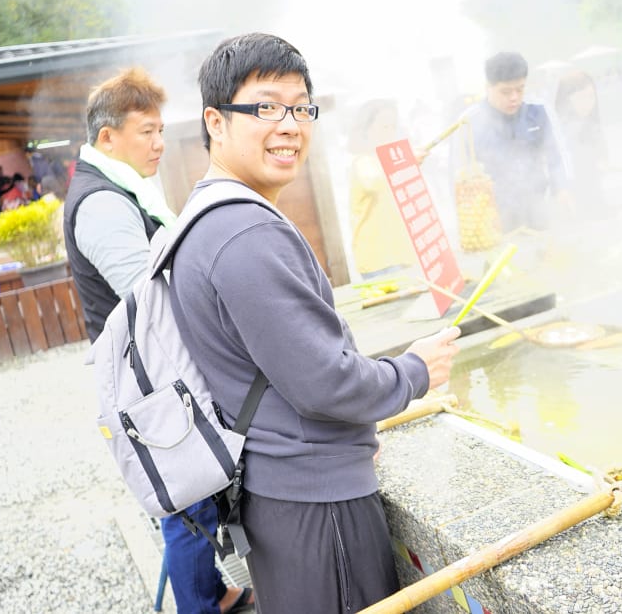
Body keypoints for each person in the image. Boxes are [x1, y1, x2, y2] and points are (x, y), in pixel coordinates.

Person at [172, 32, 461, 613]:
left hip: (279, 490)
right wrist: (415, 370)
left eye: (301, 108)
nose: (290, 125)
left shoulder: (206, 217)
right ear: (215, 122)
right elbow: (326, 382)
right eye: (266, 107)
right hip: (315, 504)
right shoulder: (246, 233)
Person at [62, 67, 252, 614]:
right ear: (108, 137)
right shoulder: (101, 203)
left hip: (152, 367)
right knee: (187, 500)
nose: (159, 143)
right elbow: (145, 297)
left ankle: (214, 593)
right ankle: (199, 607)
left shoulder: (119, 188)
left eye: (161, 130)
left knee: (194, 490)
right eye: (146, 131)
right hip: (146, 377)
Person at [456, 52, 571, 234]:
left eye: (520, 89)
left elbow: (556, 157)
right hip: (494, 218)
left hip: (537, 210)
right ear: (488, 87)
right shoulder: (470, 123)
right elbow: (459, 176)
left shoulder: (537, 112)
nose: (514, 97)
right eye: (506, 92)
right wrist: (475, 221)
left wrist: (562, 189)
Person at [347, 98, 417, 279]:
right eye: (384, 126)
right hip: (378, 259)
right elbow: (374, 182)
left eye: (392, 126)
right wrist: (408, 162)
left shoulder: (389, 158)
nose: (390, 132)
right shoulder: (363, 161)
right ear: (366, 130)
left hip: (401, 253)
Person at [553, 69, 609, 217]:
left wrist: (602, 161)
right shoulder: (559, 132)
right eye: (580, 98)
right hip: (572, 207)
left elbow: (602, 156)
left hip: (594, 201)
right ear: (566, 100)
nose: (588, 104)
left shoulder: (593, 127)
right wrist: (562, 189)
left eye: (591, 97)